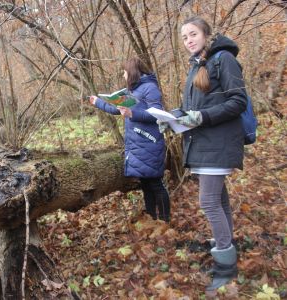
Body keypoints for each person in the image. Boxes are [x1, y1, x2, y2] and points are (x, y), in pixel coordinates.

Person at [168, 16, 247, 291]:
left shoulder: (223, 59)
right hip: (202, 144)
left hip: (219, 142)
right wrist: (169, 118)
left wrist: (201, 117)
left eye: (193, 34)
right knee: (220, 201)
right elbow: (189, 108)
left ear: (206, 34)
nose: (188, 40)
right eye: (184, 37)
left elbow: (237, 101)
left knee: (209, 202)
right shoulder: (194, 67)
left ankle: (225, 267)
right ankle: (225, 246)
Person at [89, 57, 170, 222]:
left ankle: (165, 220)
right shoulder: (132, 91)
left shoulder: (150, 88)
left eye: (125, 71)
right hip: (137, 145)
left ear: (133, 72)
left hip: (149, 143)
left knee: (155, 184)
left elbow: (158, 114)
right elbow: (117, 110)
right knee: (146, 185)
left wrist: (133, 114)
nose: (123, 74)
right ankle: (152, 219)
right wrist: (98, 103)